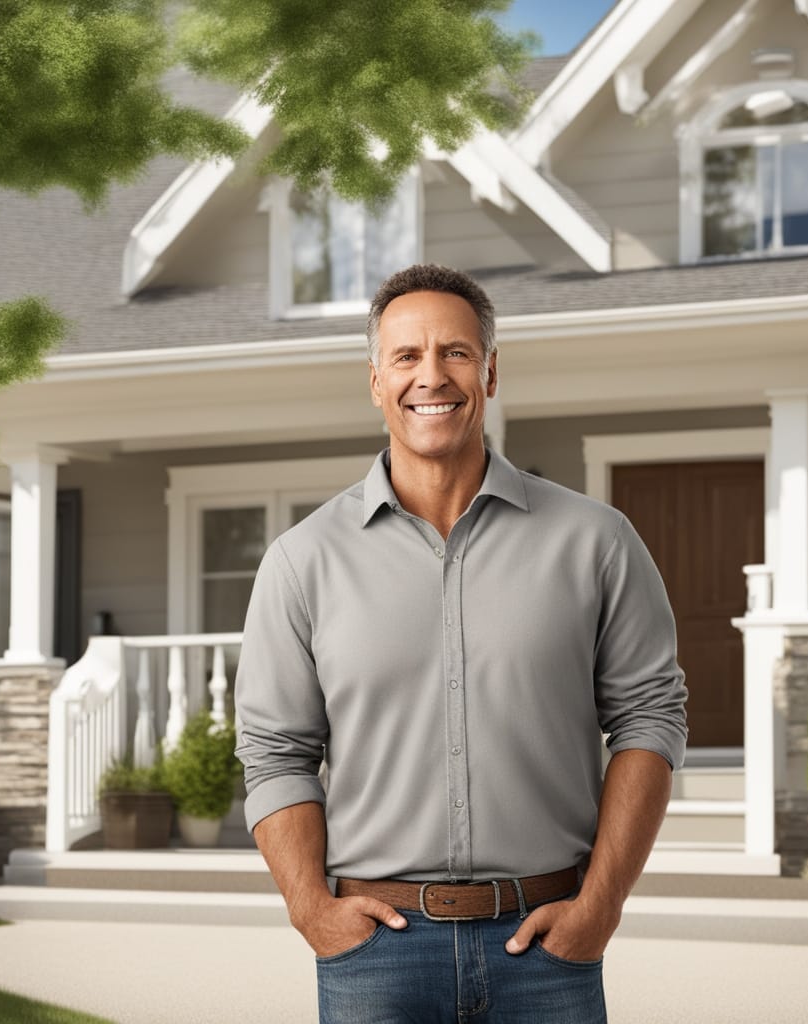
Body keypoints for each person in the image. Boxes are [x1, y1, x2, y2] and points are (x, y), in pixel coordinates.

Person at [234, 263, 687, 1023]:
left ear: (491, 371)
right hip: (376, 954)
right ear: (375, 380)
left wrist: (600, 906)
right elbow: (275, 751)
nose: (431, 376)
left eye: (455, 352)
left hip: (547, 947)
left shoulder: (596, 541)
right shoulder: (302, 561)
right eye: (406, 356)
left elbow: (650, 718)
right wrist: (310, 907)